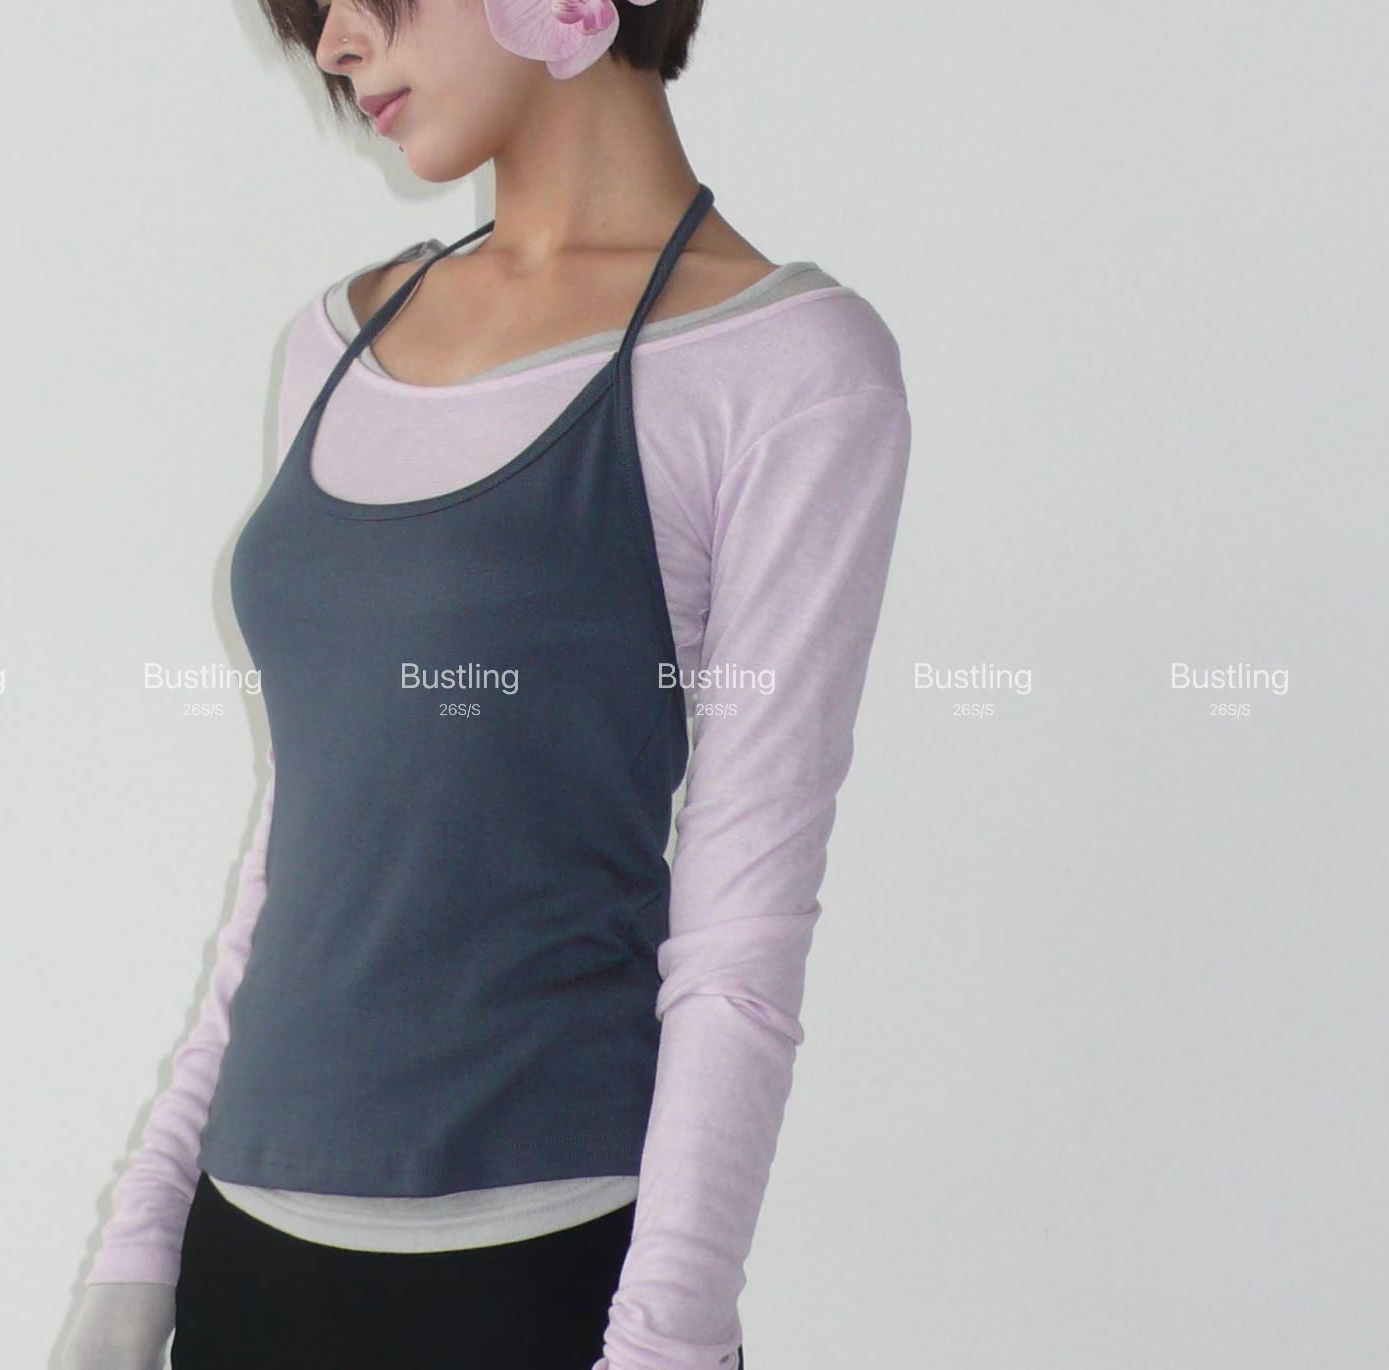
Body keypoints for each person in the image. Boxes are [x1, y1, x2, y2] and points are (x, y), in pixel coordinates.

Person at [57, 2, 911, 1366]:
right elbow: (301, 842)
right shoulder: (336, 338)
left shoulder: (787, 365)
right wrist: (141, 1242)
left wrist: (667, 1339)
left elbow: (744, 924)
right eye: (311, 16)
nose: (333, 46)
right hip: (245, 1249)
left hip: (543, 1273)